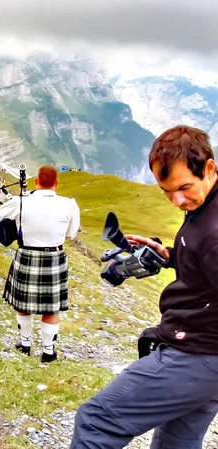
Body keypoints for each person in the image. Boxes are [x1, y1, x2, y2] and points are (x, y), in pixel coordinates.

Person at [71, 125, 218, 449]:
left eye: (184, 188)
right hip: (206, 361)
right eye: (166, 191)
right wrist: (169, 255)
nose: (177, 200)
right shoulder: (206, 204)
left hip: (197, 352)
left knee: (97, 421)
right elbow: (204, 265)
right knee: (176, 441)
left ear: (209, 167)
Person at [0, 164, 80, 362]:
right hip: (54, 257)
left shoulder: (22, 202)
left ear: (36, 182)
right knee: (51, 308)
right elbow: (71, 234)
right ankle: (48, 351)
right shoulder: (69, 205)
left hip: (26, 255)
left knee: (24, 304)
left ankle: (25, 344)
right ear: (57, 184)